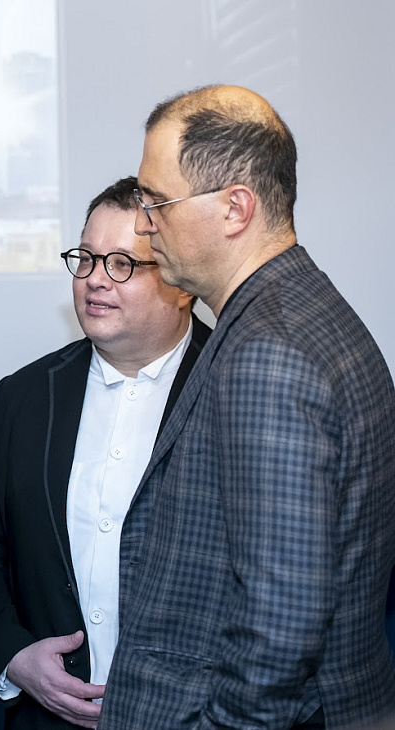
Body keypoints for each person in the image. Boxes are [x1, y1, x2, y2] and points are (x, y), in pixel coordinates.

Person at [98, 85, 395, 730]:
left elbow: (281, 627)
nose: (144, 224)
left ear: (236, 208)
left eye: (156, 202)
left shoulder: (269, 352)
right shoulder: (311, 311)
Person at [0, 176, 210, 729]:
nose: (95, 280)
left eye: (122, 263)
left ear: (181, 283)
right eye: (87, 259)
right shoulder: (21, 399)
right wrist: (14, 656)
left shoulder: (234, 390)